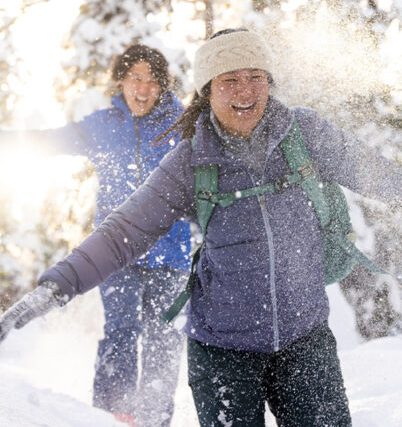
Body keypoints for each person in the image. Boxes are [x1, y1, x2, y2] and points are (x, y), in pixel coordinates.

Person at [0, 28, 401, 427]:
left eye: (255, 77)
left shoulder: (305, 135)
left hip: (304, 340)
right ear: (208, 88)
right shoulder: (191, 161)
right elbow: (125, 230)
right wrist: (58, 285)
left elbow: (379, 174)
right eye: (229, 80)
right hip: (223, 353)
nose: (245, 92)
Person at [0, 44, 191, 427]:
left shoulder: (183, 124)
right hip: (115, 253)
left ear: (163, 86)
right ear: (121, 81)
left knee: (164, 338)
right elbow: (51, 139)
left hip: (171, 256)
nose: (143, 88)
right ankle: (112, 417)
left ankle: (155, 419)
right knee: (120, 332)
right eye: (135, 78)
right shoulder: (104, 125)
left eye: (152, 81)